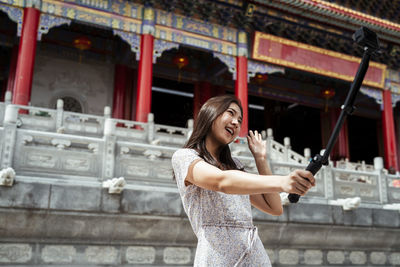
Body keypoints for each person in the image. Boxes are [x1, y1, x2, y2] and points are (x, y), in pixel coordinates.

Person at [171, 95, 315, 266]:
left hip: (254, 254)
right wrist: (283, 182)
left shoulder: (235, 167)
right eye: (230, 113)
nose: (236, 122)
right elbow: (221, 182)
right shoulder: (184, 157)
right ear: (210, 114)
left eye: (239, 119)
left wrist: (261, 159)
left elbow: (274, 207)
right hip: (217, 256)